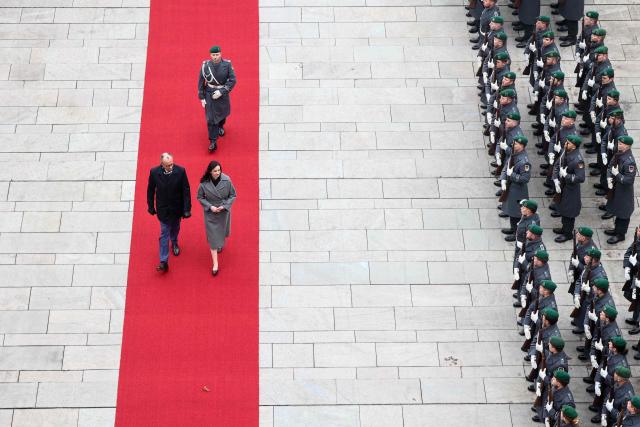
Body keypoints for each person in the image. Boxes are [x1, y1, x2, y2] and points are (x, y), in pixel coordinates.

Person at [146, 153, 192, 273]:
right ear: (162, 164)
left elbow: (186, 190)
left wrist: (187, 209)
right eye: (168, 165)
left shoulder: (181, 171)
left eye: (172, 164)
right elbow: (150, 190)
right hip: (163, 210)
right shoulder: (154, 172)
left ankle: (175, 242)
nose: (171, 167)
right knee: (164, 234)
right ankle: (163, 261)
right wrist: (150, 206)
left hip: (177, 209)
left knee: (175, 228)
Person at [197, 161, 237, 276]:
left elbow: (233, 195)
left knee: (222, 233)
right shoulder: (204, 183)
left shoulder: (227, 180)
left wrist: (224, 206)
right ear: (210, 171)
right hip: (211, 213)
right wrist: (210, 207)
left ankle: (220, 244)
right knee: (213, 239)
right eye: (215, 171)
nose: (217, 173)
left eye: (219, 170)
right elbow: (199, 197)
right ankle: (215, 264)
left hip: (223, 212)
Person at [198, 45, 237, 152]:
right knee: (210, 119)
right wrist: (201, 97)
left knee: (222, 113)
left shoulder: (227, 64)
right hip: (209, 93)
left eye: (217, 54)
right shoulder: (205, 66)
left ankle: (221, 125)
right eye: (213, 55)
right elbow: (201, 81)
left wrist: (222, 91)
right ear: (210, 55)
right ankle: (213, 141)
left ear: (221, 54)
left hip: (222, 93)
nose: (215, 57)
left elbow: (233, 80)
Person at [551, 135, 585, 243]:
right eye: (566, 142)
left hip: (571, 189)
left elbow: (580, 178)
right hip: (562, 186)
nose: (565, 144)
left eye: (568, 143)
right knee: (563, 208)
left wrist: (566, 176)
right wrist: (556, 179)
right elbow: (557, 165)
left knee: (569, 211)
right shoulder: (565, 152)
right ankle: (564, 228)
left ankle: (568, 233)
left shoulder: (578, 160)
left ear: (574, 146)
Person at [605, 136, 636, 244]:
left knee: (623, 213)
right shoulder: (619, 154)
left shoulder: (629, 162)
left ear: (628, 146)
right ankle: (616, 230)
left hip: (624, 191)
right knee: (617, 209)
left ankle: (620, 234)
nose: (619, 145)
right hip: (616, 188)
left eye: (622, 144)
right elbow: (610, 167)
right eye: (619, 143)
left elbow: (629, 180)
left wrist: (617, 175)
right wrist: (609, 177)